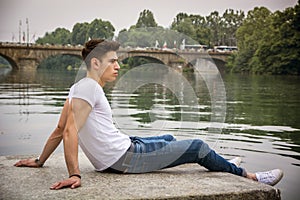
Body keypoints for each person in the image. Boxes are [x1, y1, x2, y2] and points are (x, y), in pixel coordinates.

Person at [14, 39, 283, 190]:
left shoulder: (78, 88)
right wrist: (76, 174)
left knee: (168, 137)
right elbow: (70, 131)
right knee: (198, 147)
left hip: (125, 147)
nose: (118, 65)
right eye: (113, 61)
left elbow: (59, 128)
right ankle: (248, 176)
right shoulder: (88, 88)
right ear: (95, 63)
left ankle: (224, 165)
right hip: (123, 159)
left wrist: (40, 160)